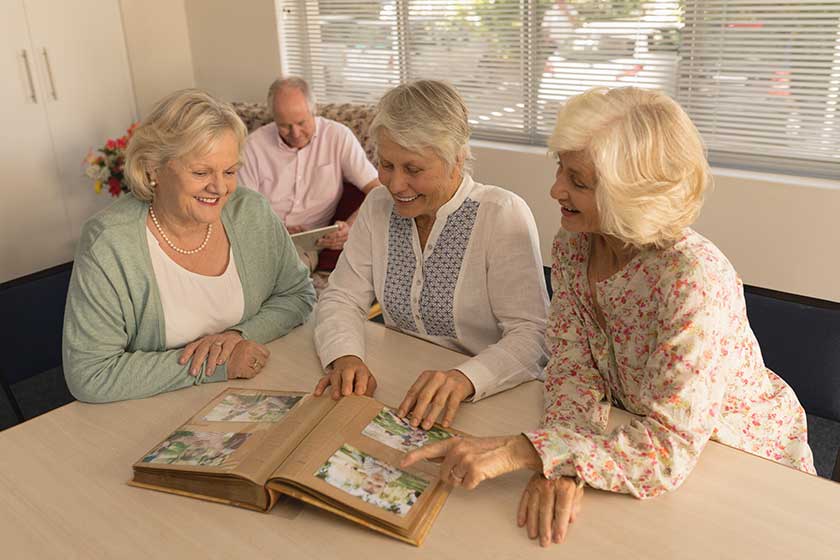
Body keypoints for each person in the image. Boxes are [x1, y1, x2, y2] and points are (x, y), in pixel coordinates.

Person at [402, 87, 815, 547]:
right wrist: (560, 455)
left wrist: (528, 450)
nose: (556, 189)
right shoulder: (576, 242)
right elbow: (573, 367)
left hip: (743, 462)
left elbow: (667, 450)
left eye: (579, 181)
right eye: (560, 167)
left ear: (633, 193)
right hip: (635, 434)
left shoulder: (693, 278)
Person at [313, 80, 549, 430]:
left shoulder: (501, 213)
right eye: (386, 164)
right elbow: (342, 297)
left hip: (485, 399)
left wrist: (464, 378)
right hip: (396, 386)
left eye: (413, 169)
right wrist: (344, 355)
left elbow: (533, 335)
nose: (394, 185)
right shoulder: (378, 205)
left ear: (456, 158)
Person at [63, 89, 316, 403]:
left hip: (251, 393)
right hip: (147, 414)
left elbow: (298, 294)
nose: (220, 188)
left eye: (229, 171)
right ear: (154, 169)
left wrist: (238, 337)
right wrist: (215, 365)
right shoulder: (110, 242)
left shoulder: (252, 212)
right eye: (201, 172)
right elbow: (90, 373)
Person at [237, 76, 380, 265]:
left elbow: (377, 189)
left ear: (314, 111)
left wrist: (351, 227)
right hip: (262, 236)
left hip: (306, 244)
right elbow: (243, 208)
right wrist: (275, 229)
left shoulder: (337, 137)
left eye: (301, 123)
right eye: (285, 126)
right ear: (274, 119)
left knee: (285, 271)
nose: (295, 133)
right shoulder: (254, 146)